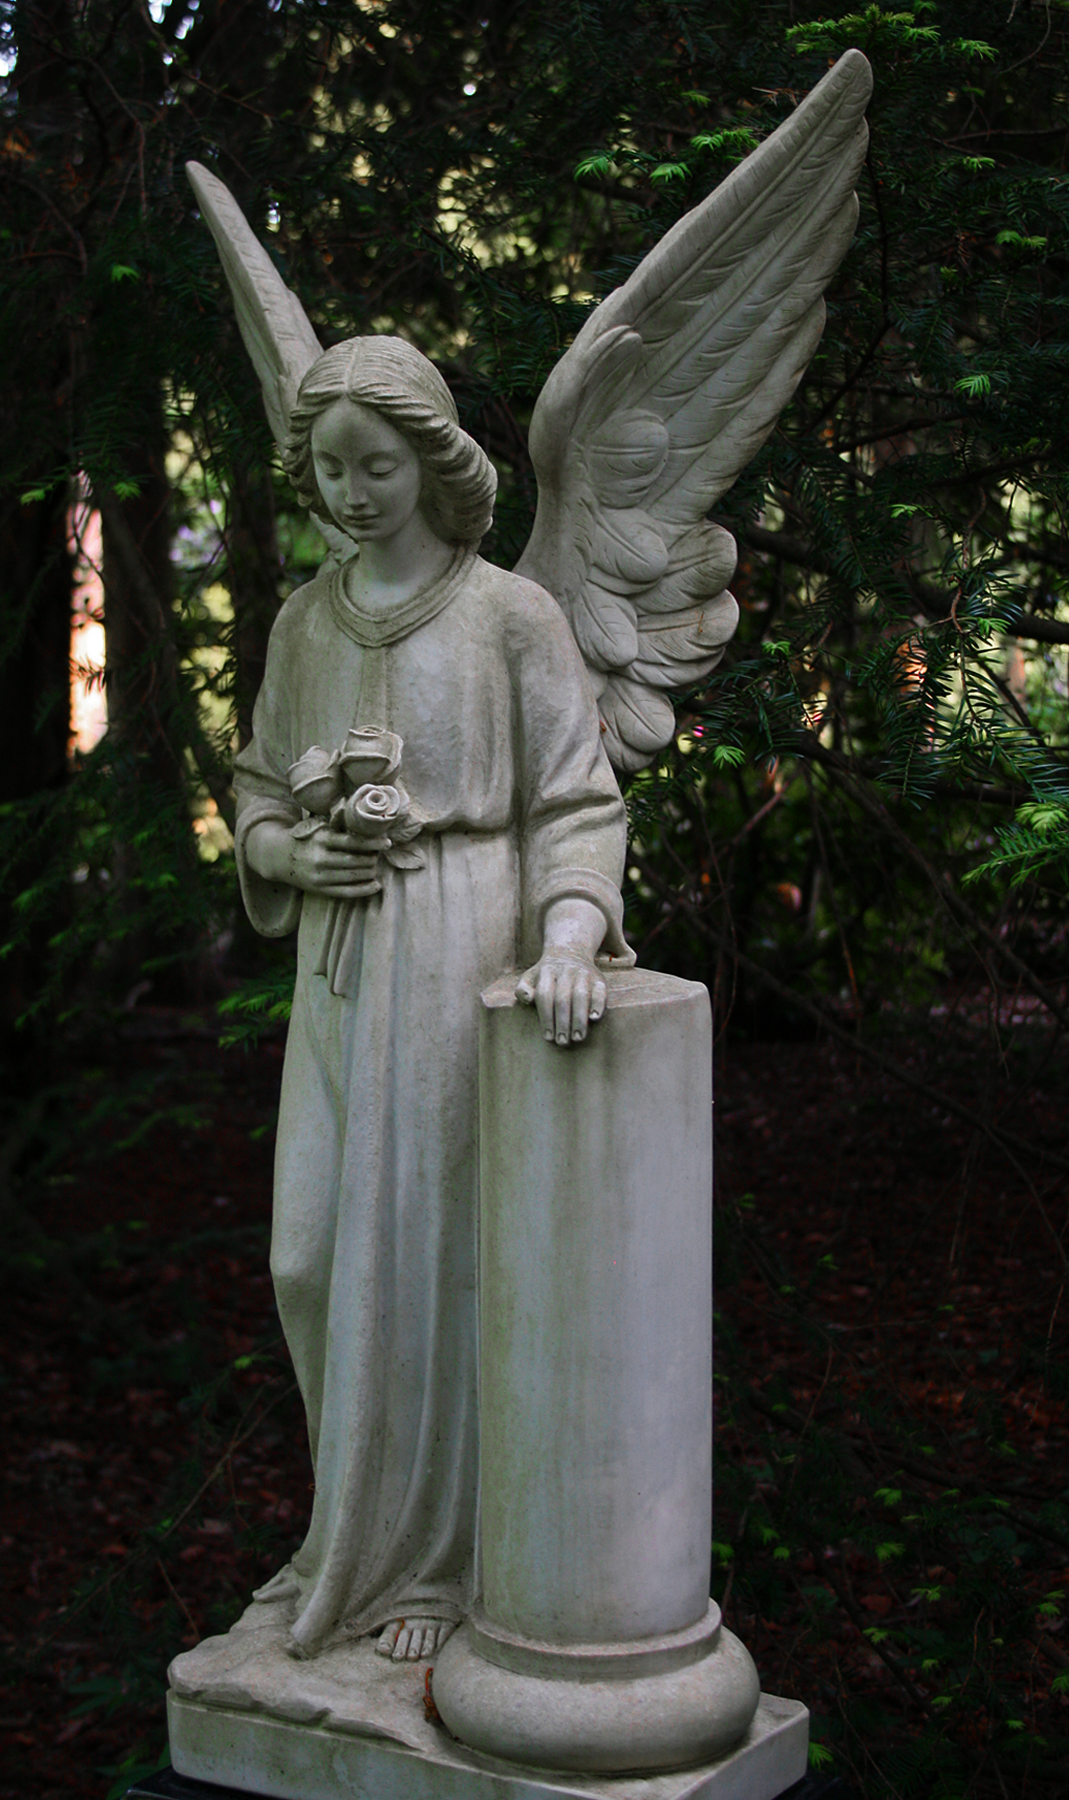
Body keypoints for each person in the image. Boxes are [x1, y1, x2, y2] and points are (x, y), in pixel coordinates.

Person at [233, 335, 631, 1664]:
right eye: (331, 468)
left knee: (434, 1260)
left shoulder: (510, 615)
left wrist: (573, 930)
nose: (351, 491)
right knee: (309, 1256)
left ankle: (435, 1566)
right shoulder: (304, 619)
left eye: (378, 464)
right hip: (338, 968)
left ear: (433, 459)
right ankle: (342, 1528)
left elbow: (578, 801)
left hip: (463, 948)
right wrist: (283, 848)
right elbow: (254, 791)